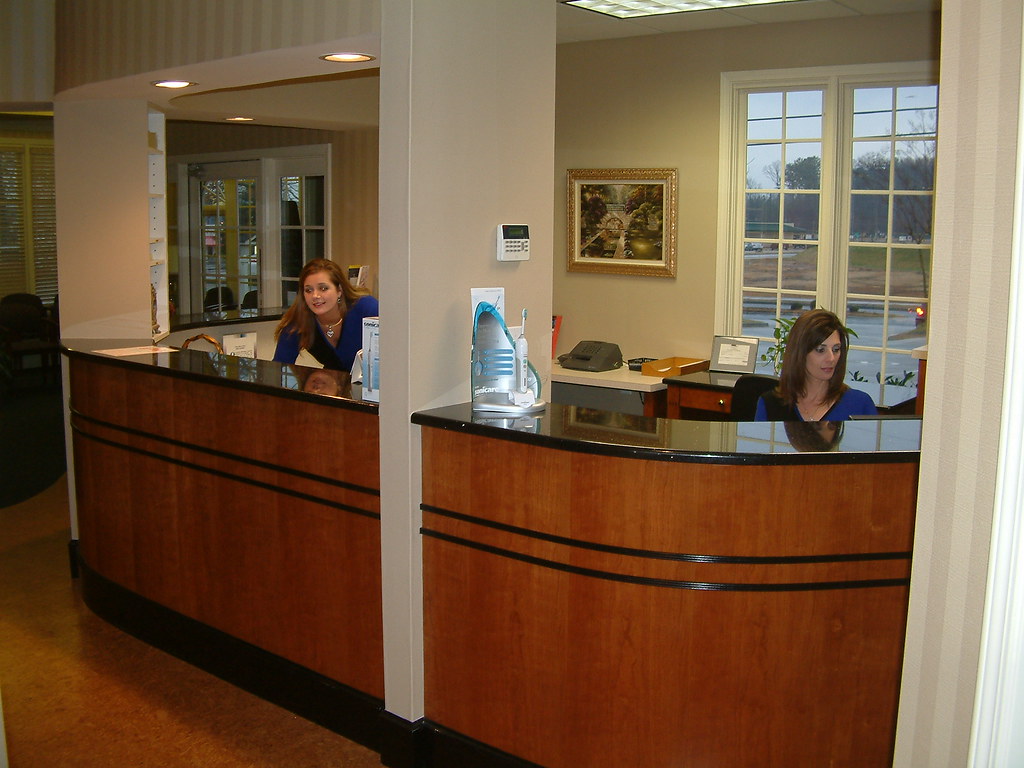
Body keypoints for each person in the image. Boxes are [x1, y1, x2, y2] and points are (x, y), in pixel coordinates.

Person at [755, 308, 877, 421]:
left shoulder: (860, 404)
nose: (831, 358)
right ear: (800, 353)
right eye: (820, 350)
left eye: (836, 349)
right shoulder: (769, 404)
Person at [273, 258, 378, 373]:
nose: (315, 296)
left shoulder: (367, 309)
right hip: (333, 386)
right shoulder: (300, 322)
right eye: (308, 290)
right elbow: (277, 370)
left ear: (339, 290)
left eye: (323, 288)